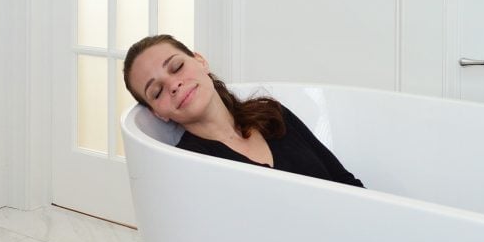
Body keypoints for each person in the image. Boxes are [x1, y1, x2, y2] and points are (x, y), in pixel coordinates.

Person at [123, 33, 364, 188]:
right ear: (158, 113)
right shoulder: (190, 166)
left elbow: (345, 182)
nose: (173, 85)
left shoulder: (273, 116)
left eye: (176, 67)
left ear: (200, 61)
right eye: (157, 92)